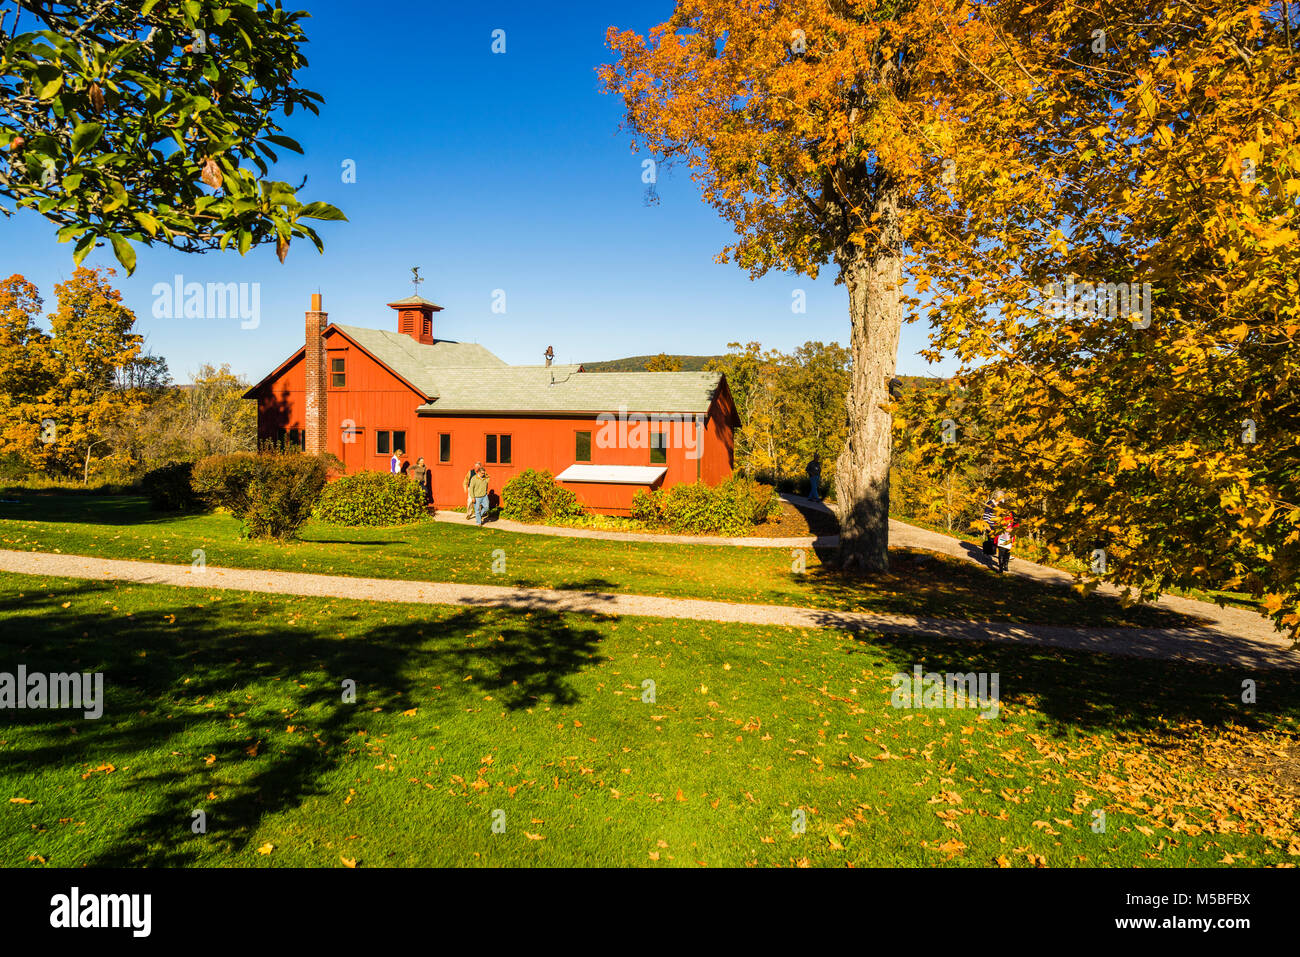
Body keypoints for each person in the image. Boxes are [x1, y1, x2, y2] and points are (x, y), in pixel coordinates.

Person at [996, 507, 1017, 574]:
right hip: (1001, 537)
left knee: (1007, 553)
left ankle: (1006, 565)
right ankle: (1000, 568)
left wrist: (1013, 530)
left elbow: (1017, 527)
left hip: (1009, 539)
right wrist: (1005, 529)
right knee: (1001, 553)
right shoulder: (1001, 518)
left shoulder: (1013, 520)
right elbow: (996, 526)